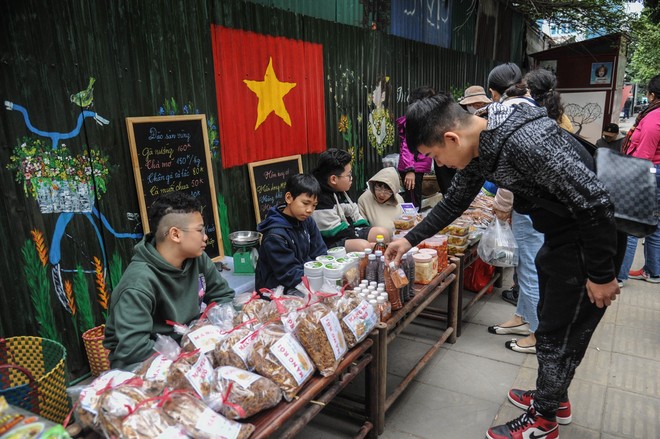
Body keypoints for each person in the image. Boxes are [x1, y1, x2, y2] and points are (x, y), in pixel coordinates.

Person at [385, 92, 625, 439]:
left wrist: (602, 275)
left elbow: (597, 203)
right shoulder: (483, 141)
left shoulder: (524, 144)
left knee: (560, 335)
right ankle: (553, 397)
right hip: (561, 239)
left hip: (587, 243)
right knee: (549, 323)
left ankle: (543, 421)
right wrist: (409, 239)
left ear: (451, 137)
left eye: (436, 156)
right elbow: (453, 202)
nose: (443, 164)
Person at [104, 192, 234, 369]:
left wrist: (215, 329)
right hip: (145, 364)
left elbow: (224, 297)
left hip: (189, 347)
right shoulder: (138, 283)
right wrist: (186, 354)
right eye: (200, 230)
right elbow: (132, 348)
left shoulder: (198, 259)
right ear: (175, 234)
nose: (205, 237)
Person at [486, 63, 544, 354]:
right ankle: (522, 318)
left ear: (493, 93)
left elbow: (510, 170)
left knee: (530, 268)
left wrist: (501, 206)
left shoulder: (508, 113)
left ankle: (536, 333)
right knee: (524, 265)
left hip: (532, 207)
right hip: (529, 207)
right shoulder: (531, 108)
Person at [617, 74, 660, 286]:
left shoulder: (654, 118)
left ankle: (620, 275)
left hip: (650, 172)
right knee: (655, 223)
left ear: (652, 95)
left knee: (632, 223)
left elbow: (644, 156)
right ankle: (653, 271)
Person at [255, 174, 327, 292]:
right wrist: (318, 280)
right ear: (289, 198)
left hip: (306, 279)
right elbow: (289, 274)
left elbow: (320, 253)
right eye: (305, 203)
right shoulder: (275, 236)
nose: (309, 210)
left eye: (314, 205)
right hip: (278, 291)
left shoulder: (307, 221)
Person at [312, 148, 390, 251]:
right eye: (348, 175)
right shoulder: (320, 196)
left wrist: (362, 228)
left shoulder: (340, 188)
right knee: (365, 246)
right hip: (329, 241)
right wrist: (364, 240)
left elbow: (354, 213)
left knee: (382, 233)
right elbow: (333, 232)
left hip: (347, 230)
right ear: (333, 179)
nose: (351, 178)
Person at [397, 86, 435, 210]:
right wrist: (410, 170)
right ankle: (411, 228)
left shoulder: (421, 119)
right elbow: (407, 145)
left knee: (415, 201)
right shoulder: (414, 120)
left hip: (416, 168)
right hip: (412, 168)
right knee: (412, 204)